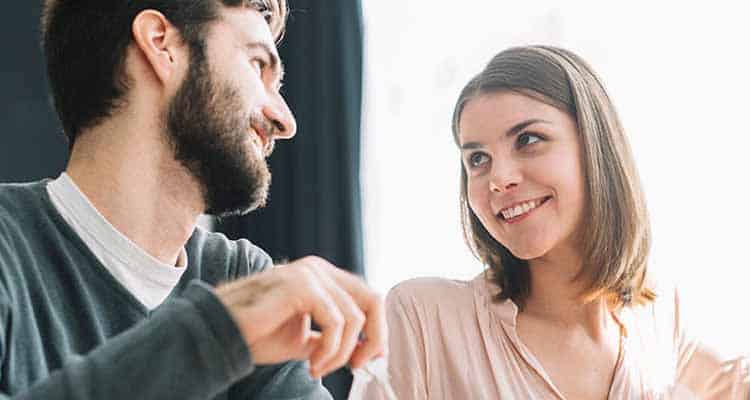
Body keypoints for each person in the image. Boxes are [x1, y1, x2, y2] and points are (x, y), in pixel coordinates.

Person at [0, 1, 387, 399]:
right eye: (258, 64)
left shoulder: (238, 274)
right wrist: (219, 331)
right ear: (161, 45)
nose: (285, 121)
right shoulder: (8, 250)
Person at [352, 46, 749, 399]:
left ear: (596, 146)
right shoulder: (424, 318)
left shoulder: (659, 318)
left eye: (527, 140)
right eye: (477, 159)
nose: (498, 178)